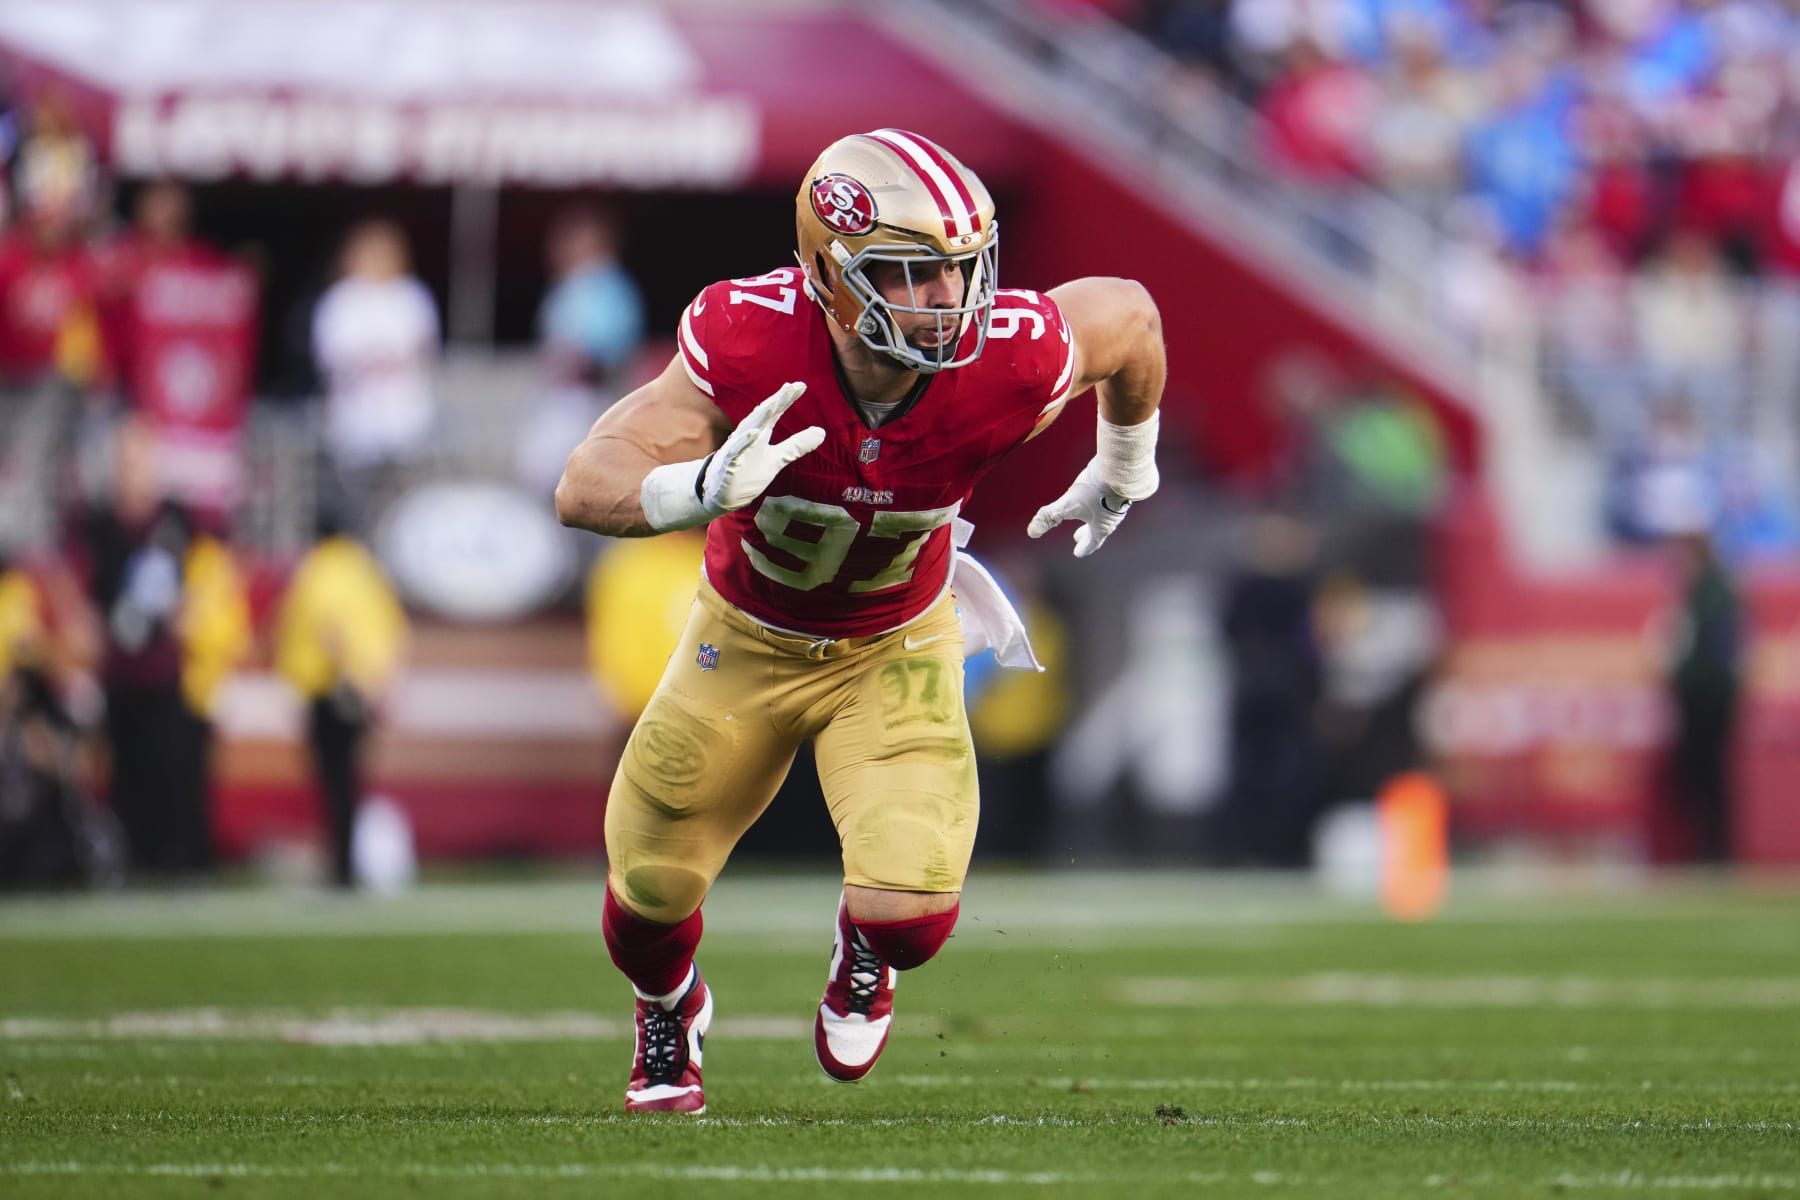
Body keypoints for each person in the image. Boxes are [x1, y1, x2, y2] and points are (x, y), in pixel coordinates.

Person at [555, 129, 1165, 1114]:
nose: (947, 301)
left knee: (911, 917)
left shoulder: (1007, 358)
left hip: (896, 640)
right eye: (911, 275)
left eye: (962, 272)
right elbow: (587, 484)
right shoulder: (749, 337)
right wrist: (698, 486)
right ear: (829, 278)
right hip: (745, 639)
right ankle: (670, 1006)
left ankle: (862, 955)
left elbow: (1130, 319)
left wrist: (1126, 460)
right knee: (646, 897)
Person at [273, 510, 409, 888]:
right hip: (360, 690)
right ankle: (346, 864)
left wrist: (345, 674)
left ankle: (341, 868)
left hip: (331, 690)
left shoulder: (319, 570)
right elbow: (392, 628)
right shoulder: (365, 571)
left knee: (334, 784)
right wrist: (378, 685)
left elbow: (328, 631)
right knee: (350, 781)